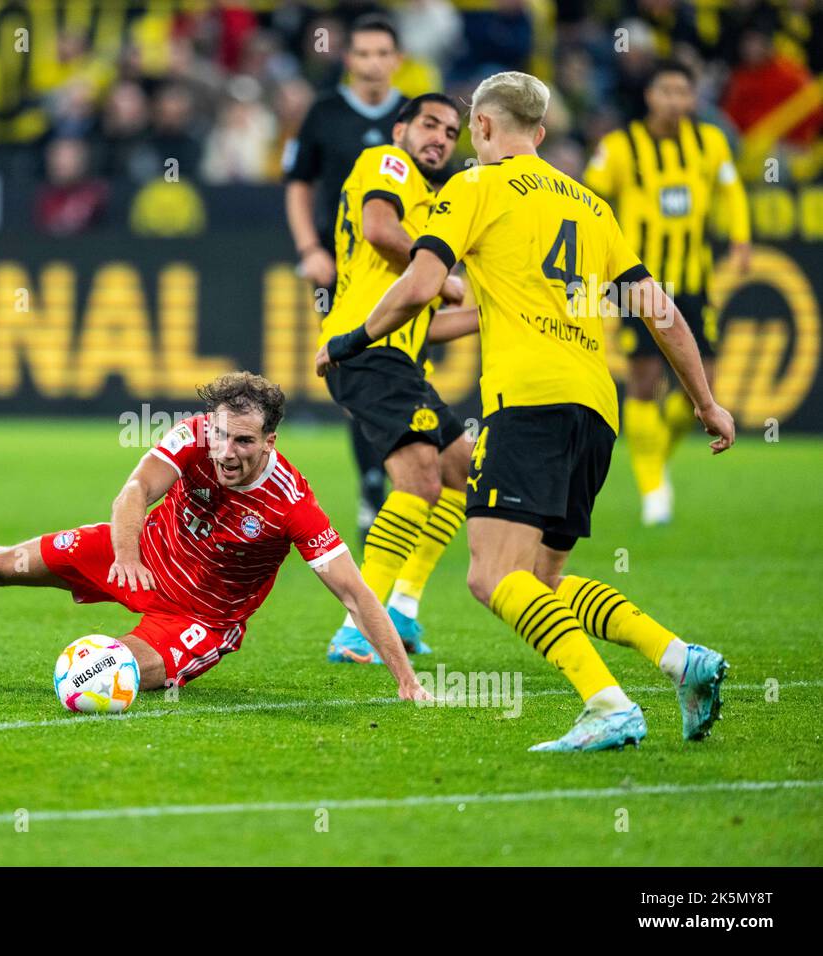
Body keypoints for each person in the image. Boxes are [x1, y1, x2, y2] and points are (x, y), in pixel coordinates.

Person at [317, 72, 736, 752]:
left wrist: (351, 339)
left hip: (529, 402)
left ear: (483, 128)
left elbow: (421, 284)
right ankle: (678, 658)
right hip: (596, 409)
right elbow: (660, 311)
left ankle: (607, 704)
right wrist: (706, 401)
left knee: (492, 577)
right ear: (539, 133)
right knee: (544, 582)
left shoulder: (474, 187)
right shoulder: (593, 207)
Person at [0, 372, 428, 700]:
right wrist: (125, 554)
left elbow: (354, 594)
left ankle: (96, 674)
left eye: (243, 441)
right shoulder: (193, 434)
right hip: (138, 555)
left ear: (270, 442)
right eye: (221, 435)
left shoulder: (293, 506)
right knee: (7, 563)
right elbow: (135, 492)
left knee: (122, 670)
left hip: (198, 617)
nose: (226, 451)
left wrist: (405, 680)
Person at [320, 93, 474, 665]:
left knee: (462, 469)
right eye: (429, 124)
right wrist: (441, 273)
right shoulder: (389, 163)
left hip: (400, 358)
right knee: (419, 481)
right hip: (364, 350)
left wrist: (486, 311)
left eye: (451, 131)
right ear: (402, 128)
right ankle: (358, 625)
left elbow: (426, 321)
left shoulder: (432, 203)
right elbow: (380, 228)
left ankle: (404, 608)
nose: (440, 136)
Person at [585, 60, 750, 526]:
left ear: (693, 99)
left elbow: (732, 192)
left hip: (694, 281)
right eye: (667, 91)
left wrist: (740, 238)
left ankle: (657, 454)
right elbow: (590, 202)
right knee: (641, 381)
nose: (676, 100)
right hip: (639, 283)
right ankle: (652, 485)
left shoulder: (710, 143)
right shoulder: (620, 148)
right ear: (650, 97)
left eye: (684, 91)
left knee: (704, 385)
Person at [283, 12, 407, 541]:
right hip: (338, 269)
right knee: (352, 374)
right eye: (364, 54)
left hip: (399, 270)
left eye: (383, 53)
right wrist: (310, 248)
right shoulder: (325, 113)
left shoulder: (414, 115)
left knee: (398, 371)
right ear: (348, 59)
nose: (374, 63)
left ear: (397, 59)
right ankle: (373, 481)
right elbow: (297, 183)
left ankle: (396, 484)